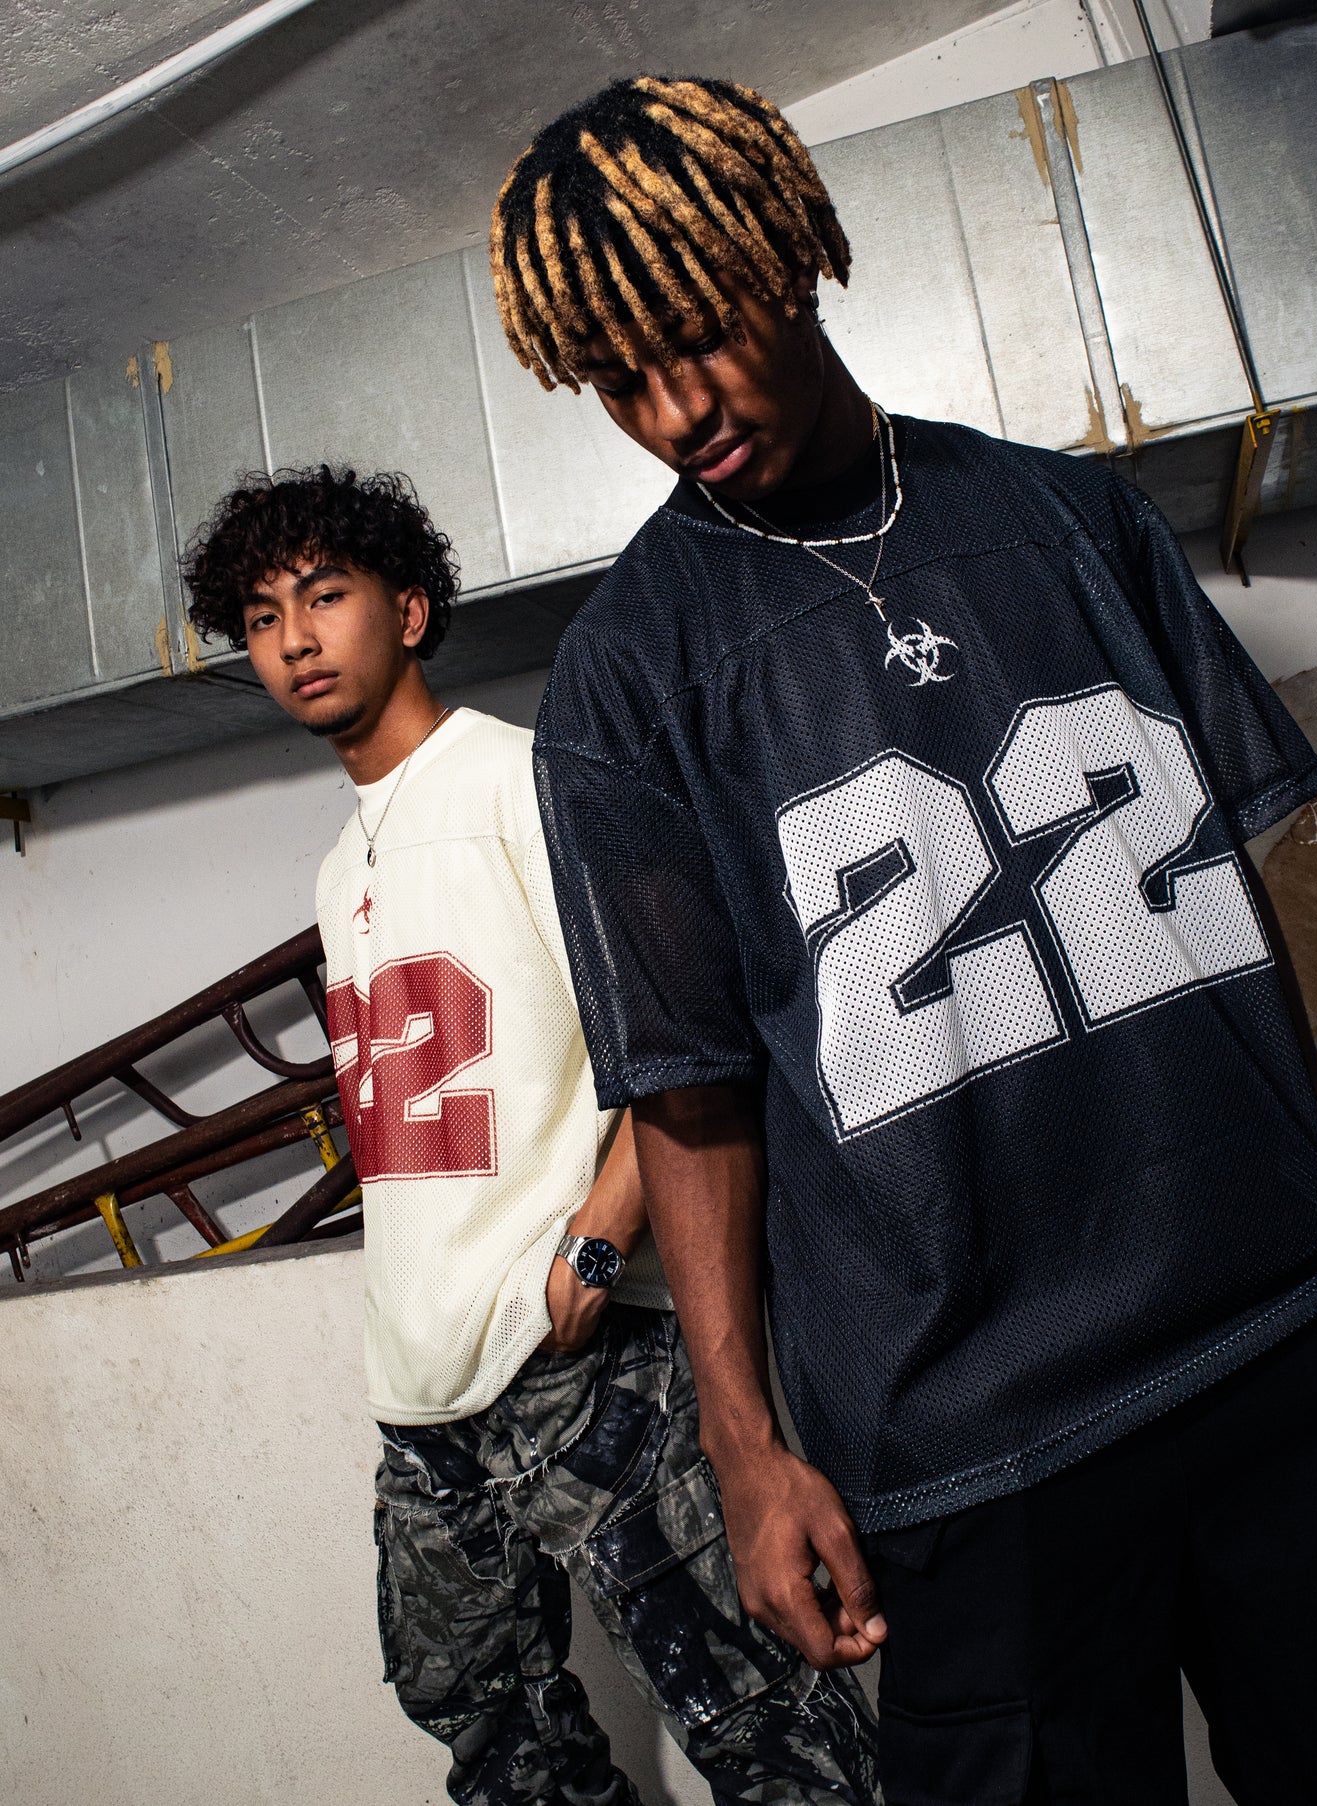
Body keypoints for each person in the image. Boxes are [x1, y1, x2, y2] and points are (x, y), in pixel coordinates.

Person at [494, 74, 1317, 1804]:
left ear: (788, 256)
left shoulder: (1070, 516)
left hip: (1265, 1333)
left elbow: (1230, 900)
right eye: (619, 378)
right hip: (970, 1445)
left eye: (693, 335)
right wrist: (743, 1443)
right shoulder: (623, 683)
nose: (673, 408)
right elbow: (688, 1092)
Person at [180, 467, 878, 1806]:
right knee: (489, 1736)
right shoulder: (338, 866)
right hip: (422, 1390)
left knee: (762, 1723)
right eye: (264, 617)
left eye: (325, 597)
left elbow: (687, 1030)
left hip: (577, 1356)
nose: (296, 638)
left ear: (409, 610)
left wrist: (596, 1248)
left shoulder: (526, 780)